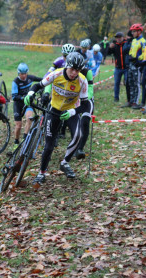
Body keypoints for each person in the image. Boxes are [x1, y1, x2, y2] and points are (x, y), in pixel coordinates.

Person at [24, 52, 90, 186]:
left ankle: (64, 163)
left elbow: (85, 105)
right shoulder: (56, 74)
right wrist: (30, 94)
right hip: (54, 110)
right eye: (72, 69)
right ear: (67, 66)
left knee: (78, 135)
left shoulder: (82, 80)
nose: (74, 73)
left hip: (70, 111)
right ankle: (42, 173)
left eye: (77, 70)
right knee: (49, 145)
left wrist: (72, 111)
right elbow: (37, 85)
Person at [11, 63, 42, 150]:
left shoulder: (30, 78)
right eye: (22, 74)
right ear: (18, 73)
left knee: (29, 119)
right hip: (18, 104)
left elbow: (43, 80)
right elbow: (14, 97)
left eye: (25, 73)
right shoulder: (15, 82)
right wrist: (23, 98)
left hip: (27, 103)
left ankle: (25, 140)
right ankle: (16, 141)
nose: (24, 76)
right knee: (18, 125)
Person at [126, 23, 146, 109]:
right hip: (131, 64)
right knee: (131, 83)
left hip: (137, 64)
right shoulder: (134, 40)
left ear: (139, 31)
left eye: (134, 31)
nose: (132, 33)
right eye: (132, 31)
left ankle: (136, 102)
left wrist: (138, 61)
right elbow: (131, 51)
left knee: (136, 83)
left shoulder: (143, 41)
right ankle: (131, 100)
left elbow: (144, 53)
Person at [107, 32, 128, 103]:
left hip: (126, 68)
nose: (118, 39)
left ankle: (129, 99)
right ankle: (116, 98)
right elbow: (108, 53)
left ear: (123, 37)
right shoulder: (114, 45)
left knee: (127, 83)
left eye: (120, 37)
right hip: (118, 68)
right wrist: (110, 48)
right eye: (117, 37)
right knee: (116, 83)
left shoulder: (126, 43)